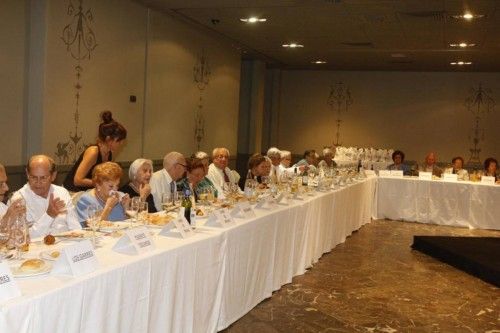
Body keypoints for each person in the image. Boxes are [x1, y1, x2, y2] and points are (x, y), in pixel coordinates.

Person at [11, 155, 81, 237]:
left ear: (53, 176)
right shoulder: (18, 200)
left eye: (43, 178)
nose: (38, 182)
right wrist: (49, 215)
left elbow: (75, 227)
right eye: (33, 177)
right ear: (27, 174)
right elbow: (24, 238)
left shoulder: (62, 192)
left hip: (66, 246)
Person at [64, 111, 127, 192]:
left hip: (87, 192)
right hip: (72, 191)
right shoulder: (93, 152)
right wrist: (102, 184)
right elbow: (77, 180)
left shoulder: (109, 153)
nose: (121, 144)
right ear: (108, 139)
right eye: (119, 141)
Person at [0, 163, 25, 231]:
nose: (7, 188)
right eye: (0, 184)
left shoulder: (2, 207)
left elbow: (19, 236)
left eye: (5, 182)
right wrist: (6, 220)